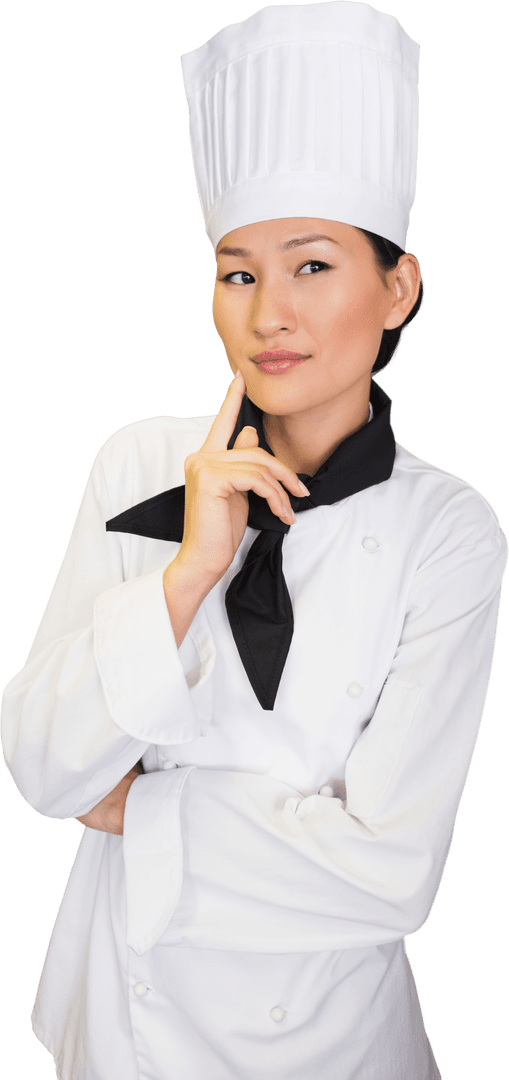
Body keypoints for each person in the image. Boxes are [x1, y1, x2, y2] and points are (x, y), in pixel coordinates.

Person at [1, 3, 507, 1078]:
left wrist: (142, 808)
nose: (267, 312)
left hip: (330, 1044)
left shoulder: (448, 531)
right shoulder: (139, 461)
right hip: (122, 1034)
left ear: (398, 287)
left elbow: (393, 875)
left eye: (312, 265)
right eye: (237, 272)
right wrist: (187, 572)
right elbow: (45, 770)